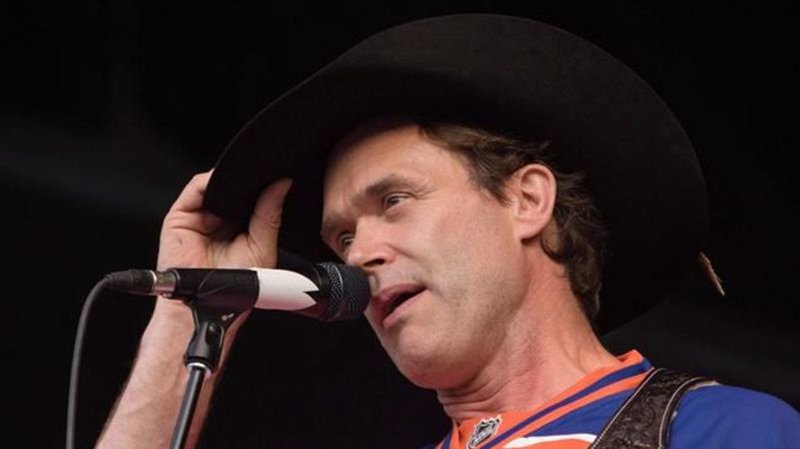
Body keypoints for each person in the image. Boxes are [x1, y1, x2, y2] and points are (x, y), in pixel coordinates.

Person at [96, 14, 800, 449]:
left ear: (526, 200)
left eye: (394, 200)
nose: (361, 255)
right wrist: (183, 321)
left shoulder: (721, 430)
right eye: (341, 239)